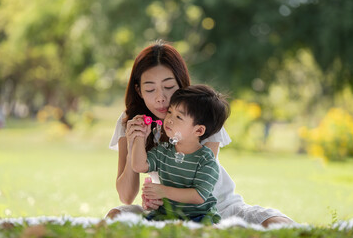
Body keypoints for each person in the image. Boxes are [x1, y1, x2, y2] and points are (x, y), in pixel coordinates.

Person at [107, 40, 293, 227]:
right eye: (149, 89)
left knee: (277, 223)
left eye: (169, 87)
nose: (160, 98)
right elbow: (126, 196)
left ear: (181, 83)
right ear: (139, 90)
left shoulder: (202, 114)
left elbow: (199, 187)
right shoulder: (130, 121)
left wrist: (161, 192)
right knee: (115, 217)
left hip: (216, 207)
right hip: (167, 208)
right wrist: (135, 142)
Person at [130, 85, 229, 224]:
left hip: (199, 217)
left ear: (199, 130)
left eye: (178, 117)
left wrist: (163, 191)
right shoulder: (163, 151)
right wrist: (140, 136)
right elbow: (139, 166)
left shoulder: (206, 159)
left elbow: (198, 196)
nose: (169, 119)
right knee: (139, 227)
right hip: (166, 214)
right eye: (170, 112)